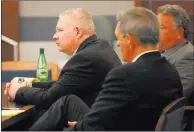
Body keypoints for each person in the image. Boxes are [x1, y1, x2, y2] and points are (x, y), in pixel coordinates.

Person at [29, 7, 183, 131]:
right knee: (67, 102)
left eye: (119, 38)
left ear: (129, 40)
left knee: (63, 107)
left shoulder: (124, 75)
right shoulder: (171, 71)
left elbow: (93, 125)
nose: (117, 44)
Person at [4, 8, 121, 108]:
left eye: (60, 30)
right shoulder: (100, 46)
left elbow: (49, 98)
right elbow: (63, 85)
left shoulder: (85, 57)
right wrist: (29, 85)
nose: (54, 36)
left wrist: (18, 91)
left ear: (77, 32)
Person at [157, 5, 194, 98]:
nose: (155, 32)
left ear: (179, 32)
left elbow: (176, 96)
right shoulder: (165, 52)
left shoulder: (187, 56)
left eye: (161, 28)